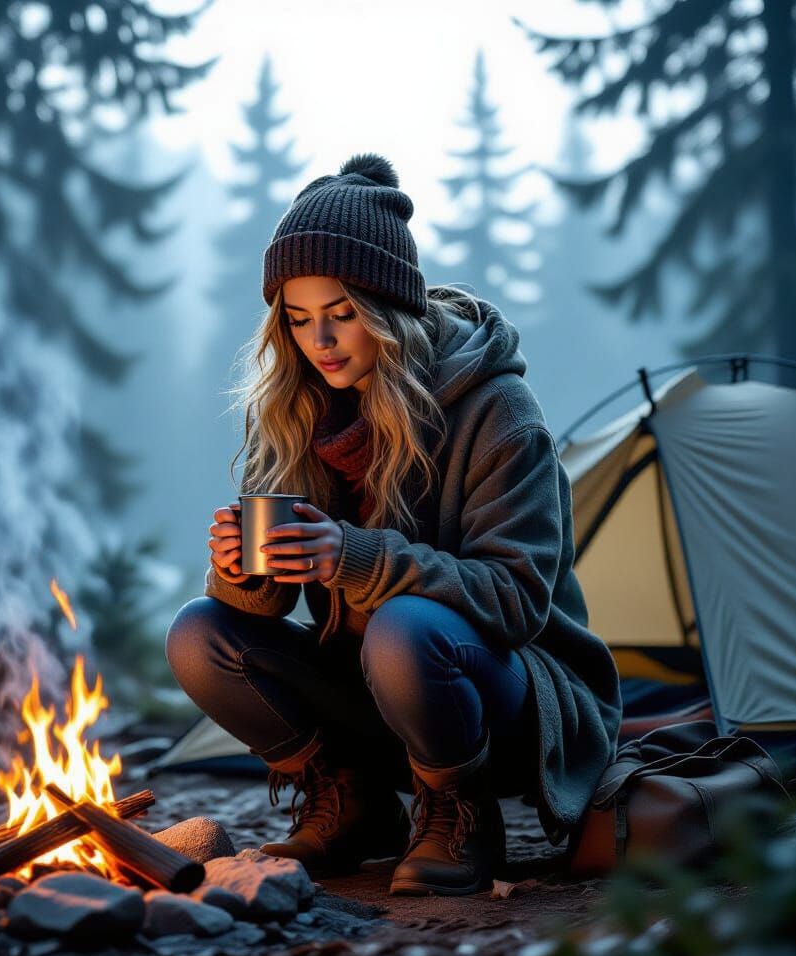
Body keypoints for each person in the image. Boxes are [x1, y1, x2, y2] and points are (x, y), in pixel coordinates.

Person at [165, 152, 621, 897]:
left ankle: (459, 809)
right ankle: (352, 803)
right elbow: (268, 606)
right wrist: (240, 569)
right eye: (301, 319)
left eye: (342, 315)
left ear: (388, 310)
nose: (322, 342)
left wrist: (350, 556)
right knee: (198, 633)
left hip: (506, 701)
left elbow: (516, 599)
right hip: (374, 689)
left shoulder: (496, 412)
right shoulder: (295, 410)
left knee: (405, 629)